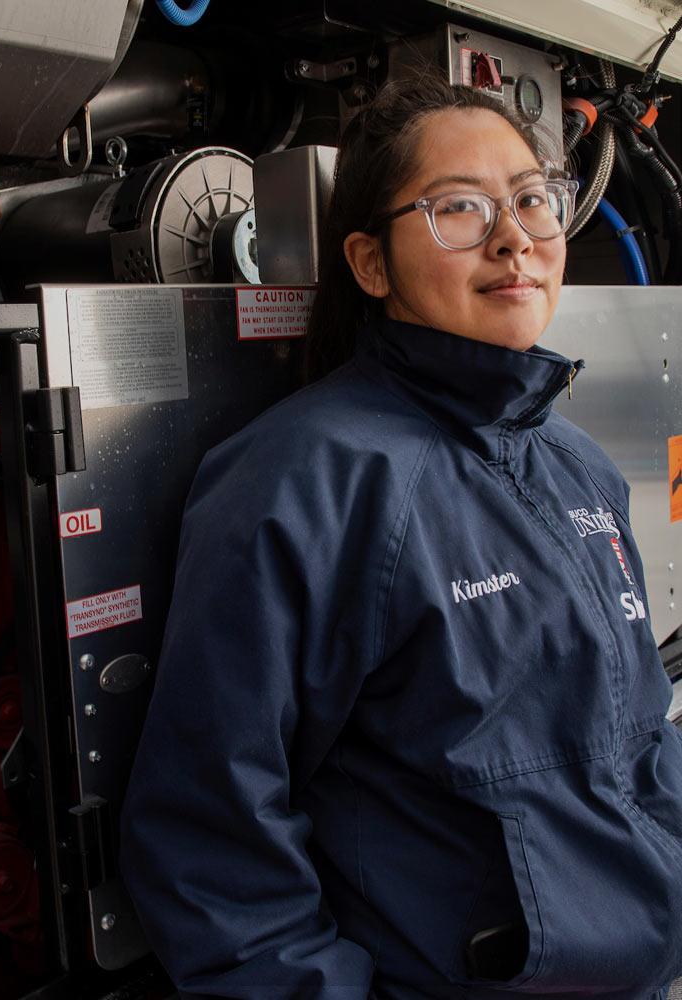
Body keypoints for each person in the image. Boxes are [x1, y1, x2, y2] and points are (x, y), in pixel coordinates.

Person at [118, 74, 682, 1000]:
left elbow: (639, 735)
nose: (513, 239)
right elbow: (210, 840)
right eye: (457, 209)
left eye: (531, 200)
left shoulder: (577, 463)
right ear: (371, 264)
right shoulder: (303, 481)